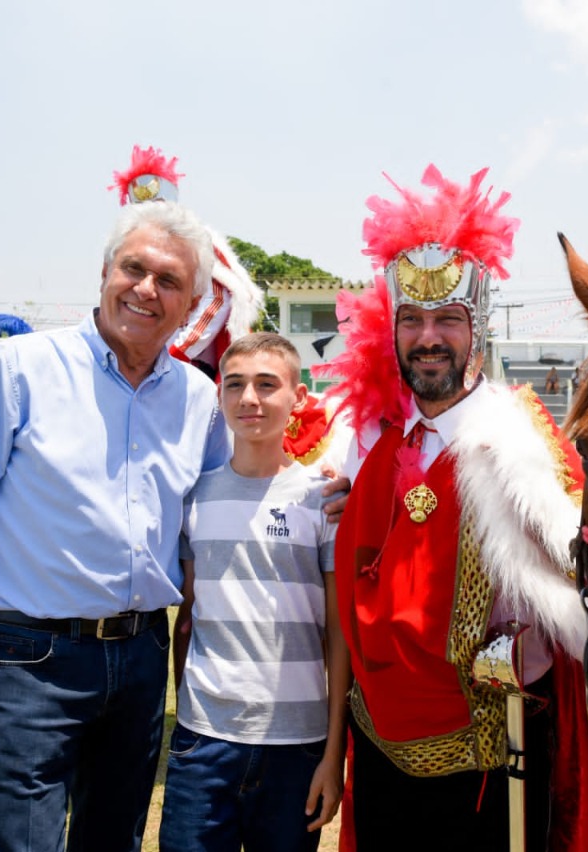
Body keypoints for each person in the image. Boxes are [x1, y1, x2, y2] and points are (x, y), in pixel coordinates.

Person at [0, 201, 229, 851]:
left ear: (191, 307)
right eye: (134, 268)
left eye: (169, 282)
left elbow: (216, 517)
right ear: (104, 271)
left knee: (114, 839)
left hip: (140, 659)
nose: (145, 289)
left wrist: (314, 498)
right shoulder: (19, 368)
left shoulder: (198, 400)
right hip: (31, 660)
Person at [314, 166, 587, 851]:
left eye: (447, 320)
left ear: (478, 328)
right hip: (379, 747)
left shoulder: (525, 437)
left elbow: (586, 566)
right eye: (412, 320)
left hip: (491, 763)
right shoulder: (371, 441)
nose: (428, 337)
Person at [160, 332, 349, 852]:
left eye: (267, 385)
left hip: (297, 746)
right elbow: (189, 617)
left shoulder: (323, 500)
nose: (250, 399)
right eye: (236, 385)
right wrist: (188, 712)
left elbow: (338, 635)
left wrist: (334, 755)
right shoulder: (193, 498)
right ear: (219, 397)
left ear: (299, 399)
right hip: (203, 742)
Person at [109, 143, 264, 381]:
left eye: (157, 205)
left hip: (188, 366)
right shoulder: (132, 242)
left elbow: (219, 298)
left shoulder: (193, 241)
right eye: (142, 209)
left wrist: (176, 353)